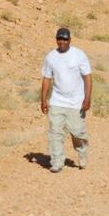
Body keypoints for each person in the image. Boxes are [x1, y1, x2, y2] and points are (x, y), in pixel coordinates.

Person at [41, 27, 92, 173]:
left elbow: (87, 77)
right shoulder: (51, 57)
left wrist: (87, 98)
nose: (62, 41)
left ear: (70, 40)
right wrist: (43, 99)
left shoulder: (79, 55)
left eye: (65, 39)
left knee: (77, 132)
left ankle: (82, 151)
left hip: (76, 102)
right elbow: (46, 78)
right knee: (55, 132)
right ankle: (57, 161)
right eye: (59, 39)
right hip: (57, 101)